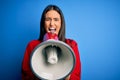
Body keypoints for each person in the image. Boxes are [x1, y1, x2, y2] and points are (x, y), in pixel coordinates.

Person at [22, 4, 81, 80]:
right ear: (43, 23)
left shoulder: (72, 45)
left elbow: (76, 78)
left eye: (56, 19)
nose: (52, 24)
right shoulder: (32, 45)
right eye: (48, 19)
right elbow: (26, 77)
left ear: (61, 23)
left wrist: (63, 71)